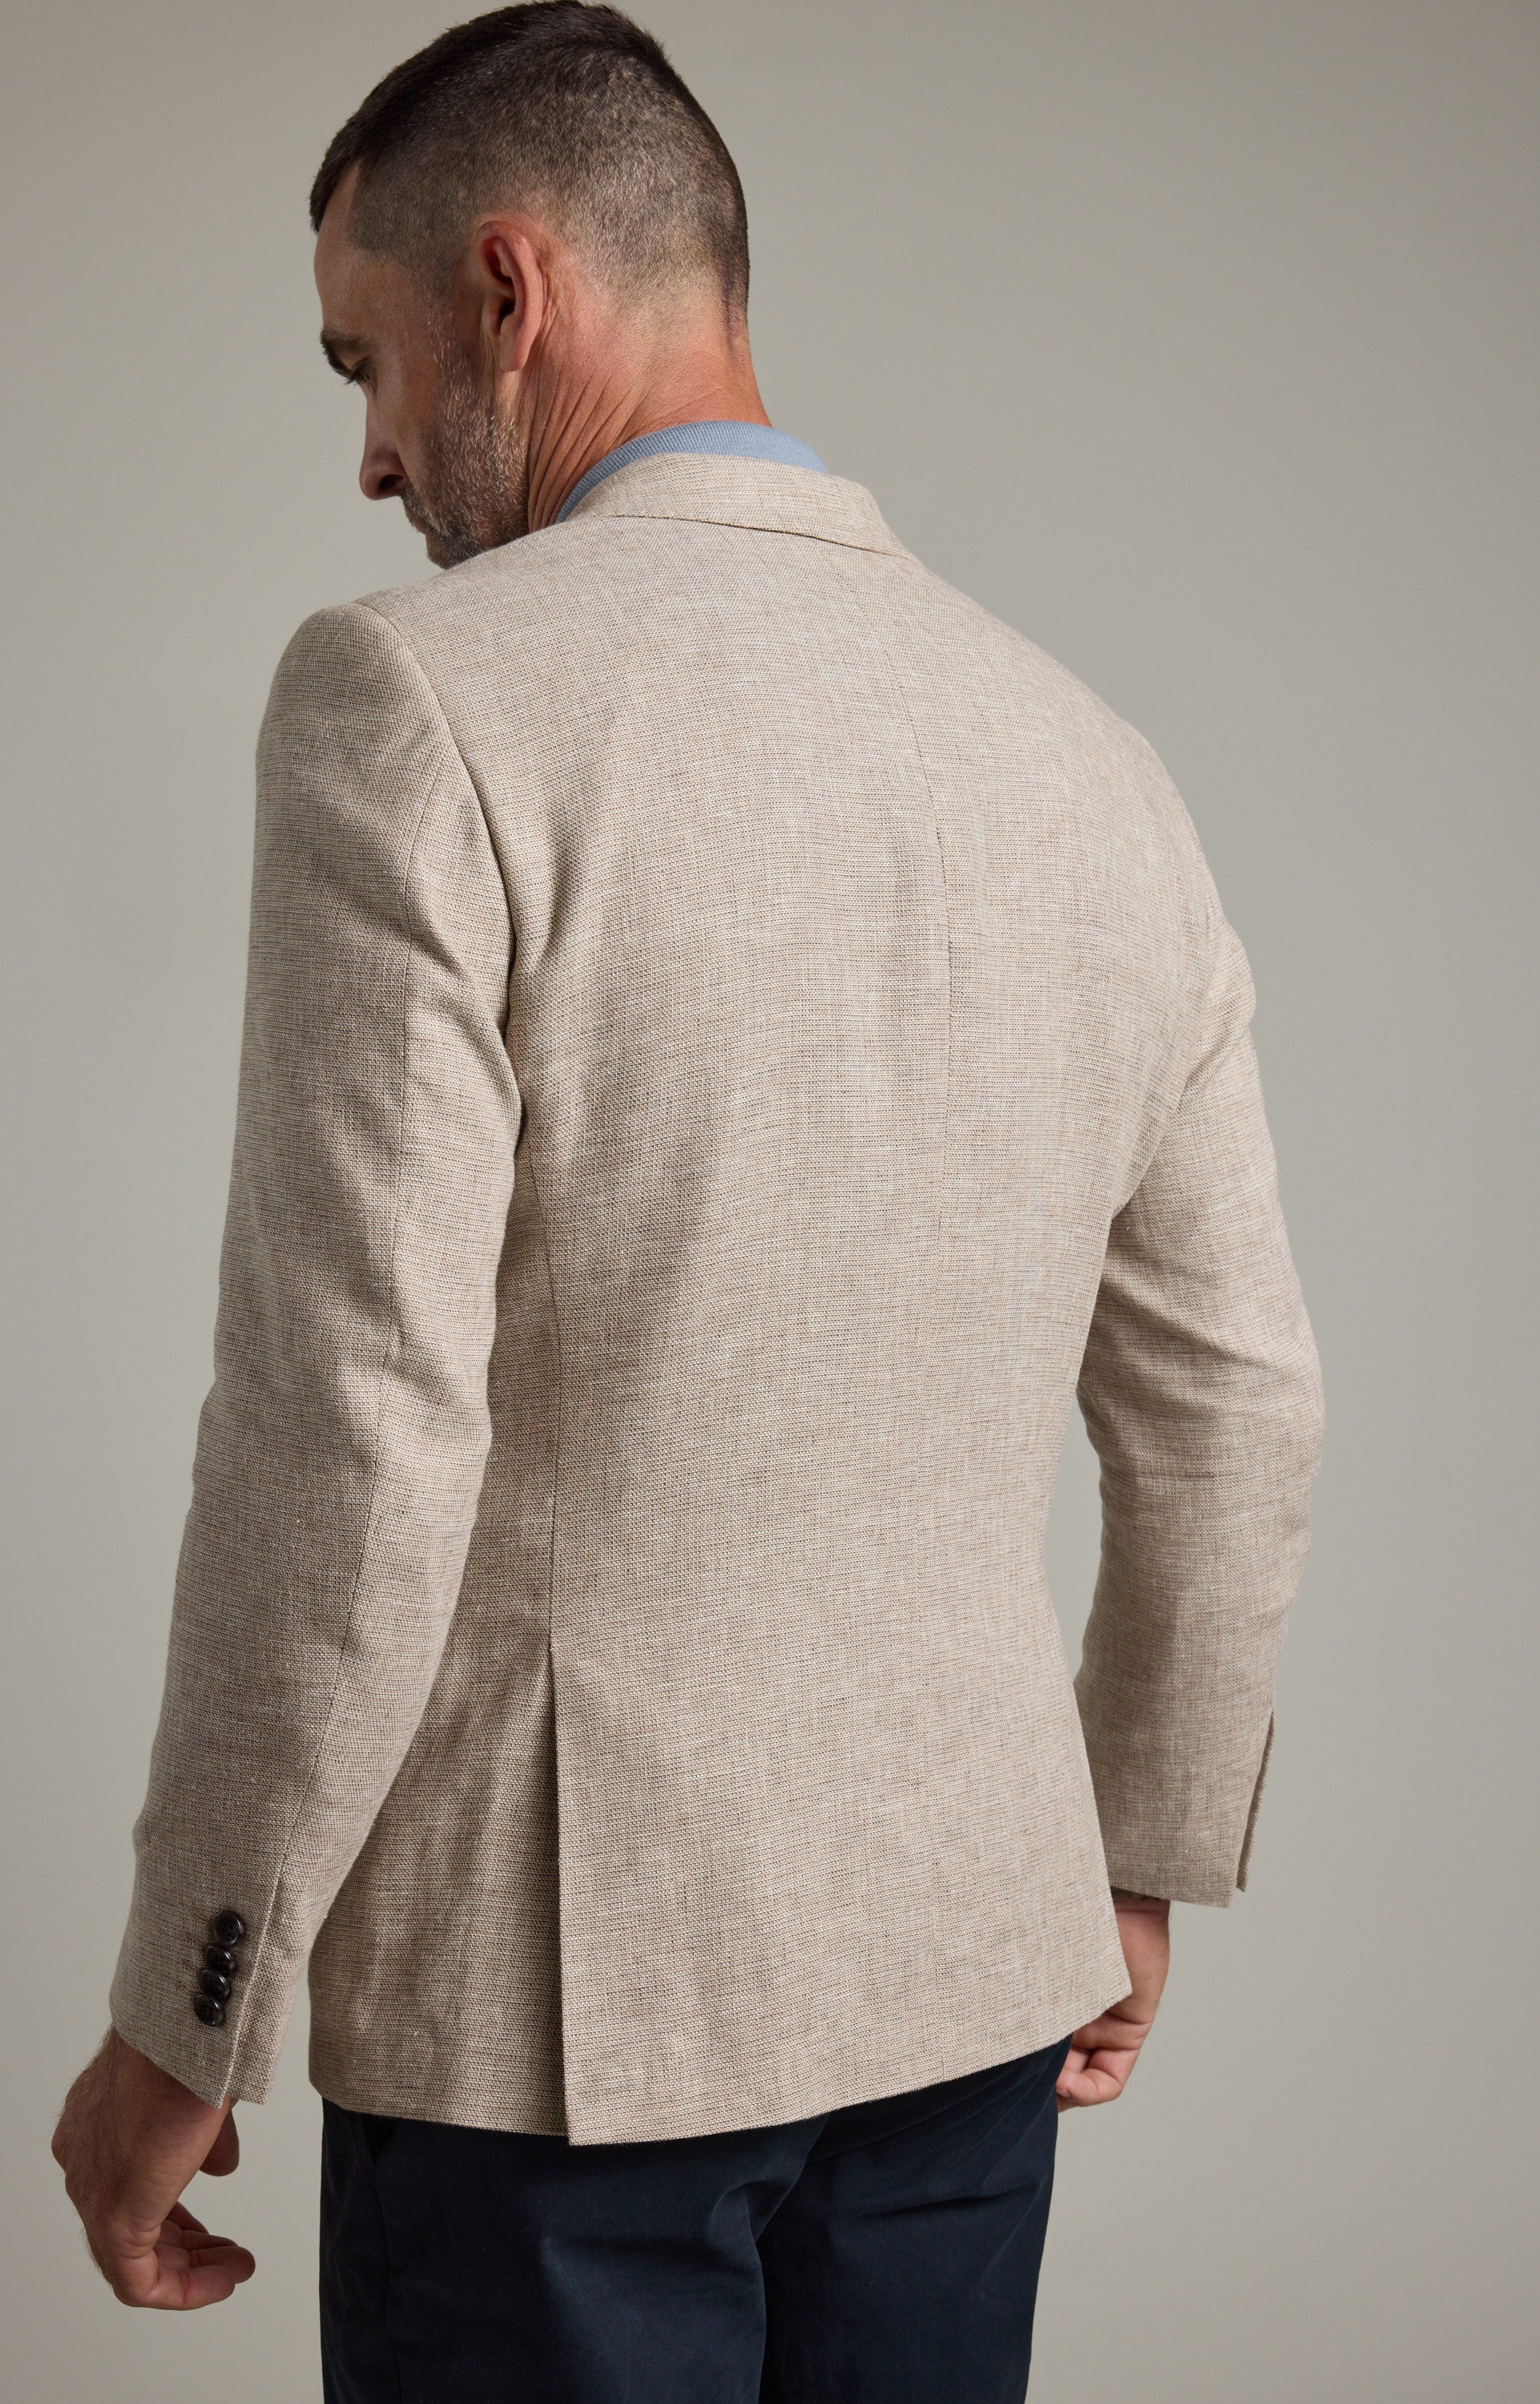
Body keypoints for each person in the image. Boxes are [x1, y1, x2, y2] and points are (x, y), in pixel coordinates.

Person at [50, 7, 1323, 2397]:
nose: (371, 453)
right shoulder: (1081, 755)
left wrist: (186, 1998)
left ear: (507, 292)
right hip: (969, 1959)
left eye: (371, 358)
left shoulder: (417, 701)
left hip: (556, 2038)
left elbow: (352, 1436)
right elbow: (1234, 1390)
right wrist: (1132, 1849)